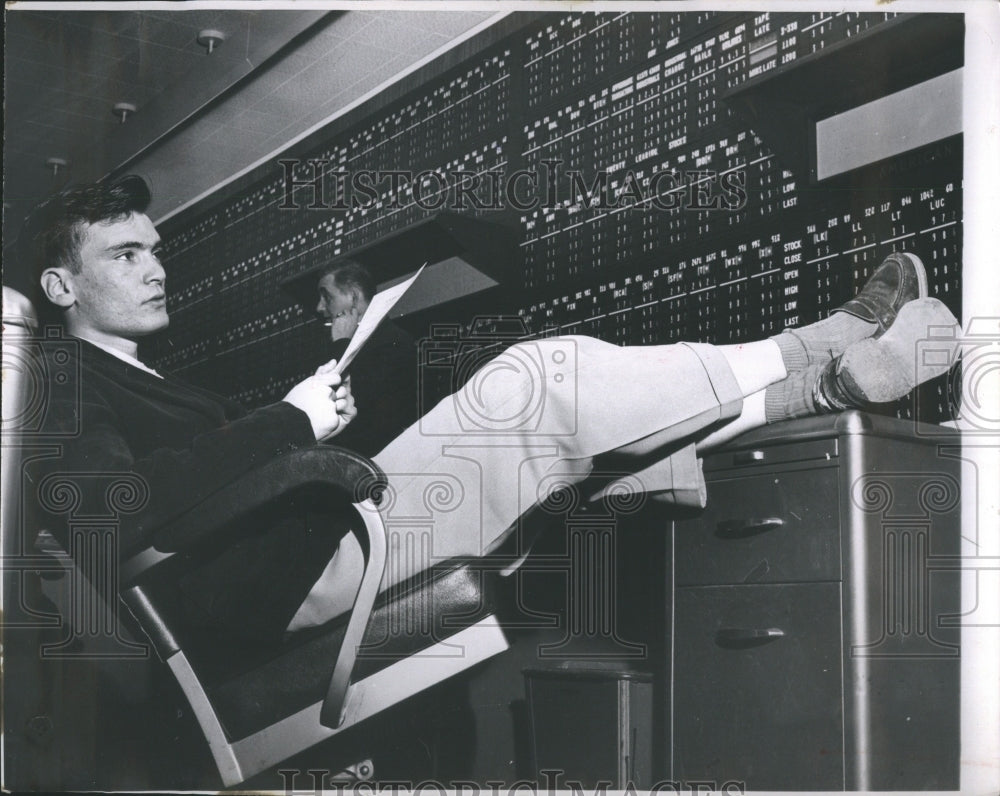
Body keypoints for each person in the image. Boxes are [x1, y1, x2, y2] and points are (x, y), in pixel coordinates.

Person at [17, 174, 959, 640]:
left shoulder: (154, 381)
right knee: (537, 380)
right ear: (60, 286)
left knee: (557, 426)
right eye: (124, 256)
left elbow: (227, 466)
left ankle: (818, 386)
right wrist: (291, 422)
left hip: (303, 541)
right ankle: (825, 340)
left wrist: (314, 414)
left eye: (154, 249)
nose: (156, 268)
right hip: (278, 579)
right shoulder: (54, 377)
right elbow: (113, 510)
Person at [314, 261, 420, 457]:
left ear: (353, 297)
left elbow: (360, 405)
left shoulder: (393, 340)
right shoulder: (339, 341)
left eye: (327, 297)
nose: (320, 307)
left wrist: (341, 345)